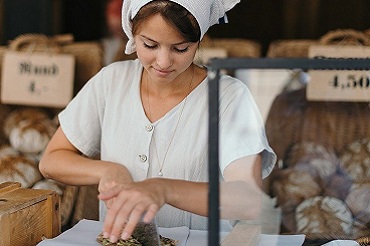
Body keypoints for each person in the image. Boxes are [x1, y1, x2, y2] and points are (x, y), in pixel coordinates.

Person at [39, 0, 276, 243]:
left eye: (180, 49)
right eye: (150, 45)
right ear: (132, 35)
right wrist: (109, 170)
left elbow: (247, 199)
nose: (163, 62)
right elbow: (51, 160)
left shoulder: (228, 96)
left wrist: (163, 189)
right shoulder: (111, 82)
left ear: (199, 42)